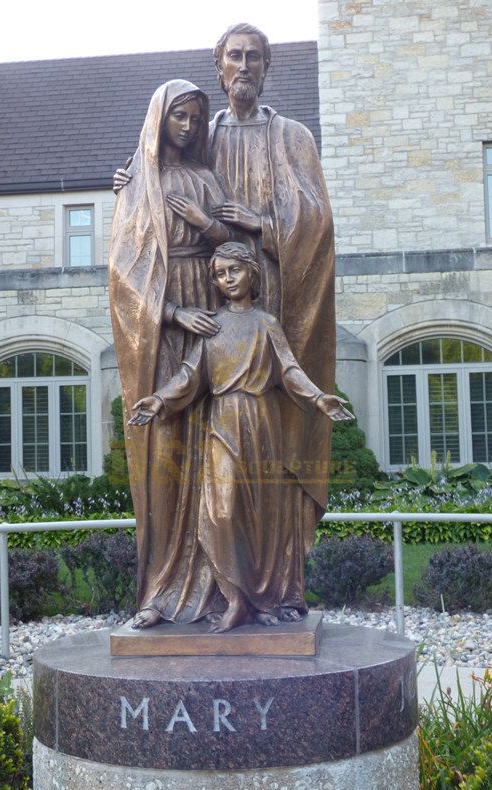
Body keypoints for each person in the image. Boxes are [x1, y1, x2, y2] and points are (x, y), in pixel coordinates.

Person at [114, 26, 337, 617]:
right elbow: (152, 196)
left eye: (253, 57)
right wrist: (128, 185)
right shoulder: (197, 135)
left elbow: (316, 223)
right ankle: (188, 587)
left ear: (267, 67)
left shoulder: (291, 137)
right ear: (218, 66)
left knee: (265, 459)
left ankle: (273, 591)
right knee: (186, 456)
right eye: (233, 56)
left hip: (271, 314)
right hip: (193, 316)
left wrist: (263, 225)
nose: (243, 66)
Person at [129, 243, 353, 632]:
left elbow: (289, 370)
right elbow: (190, 374)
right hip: (223, 423)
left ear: (252, 273)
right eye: (219, 273)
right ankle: (233, 599)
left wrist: (319, 398)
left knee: (259, 516)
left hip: (262, 422)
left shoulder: (266, 323)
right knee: (221, 510)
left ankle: (257, 599)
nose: (226, 279)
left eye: (233, 270)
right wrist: (159, 400)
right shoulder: (213, 325)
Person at [109, 79, 240, 629]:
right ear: (160, 118)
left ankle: (218, 588)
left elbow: (237, 247)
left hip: (211, 318)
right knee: (166, 454)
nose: (188, 127)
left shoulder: (206, 177)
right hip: (165, 330)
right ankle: (159, 591)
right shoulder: (139, 180)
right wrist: (170, 314)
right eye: (179, 117)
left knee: (215, 455)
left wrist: (206, 224)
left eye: (195, 118)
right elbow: (123, 274)